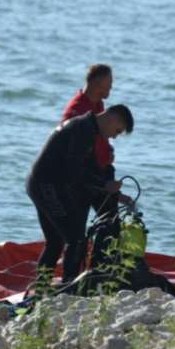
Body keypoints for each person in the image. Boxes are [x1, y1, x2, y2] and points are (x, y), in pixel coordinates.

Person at [27, 104, 134, 289]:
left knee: (56, 241)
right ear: (112, 118)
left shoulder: (86, 127)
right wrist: (104, 185)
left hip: (40, 185)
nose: (114, 137)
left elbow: (91, 168)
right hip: (46, 187)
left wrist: (116, 195)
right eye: (117, 131)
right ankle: (69, 288)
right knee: (75, 239)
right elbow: (73, 170)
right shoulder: (82, 130)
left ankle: (41, 288)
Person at [61, 64, 131, 269]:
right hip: (84, 176)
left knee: (111, 224)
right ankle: (72, 275)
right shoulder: (77, 111)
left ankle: (101, 270)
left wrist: (108, 151)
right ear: (97, 83)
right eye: (109, 84)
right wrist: (100, 182)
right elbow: (74, 157)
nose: (111, 89)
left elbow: (101, 138)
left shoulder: (99, 105)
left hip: (101, 171)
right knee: (77, 231)